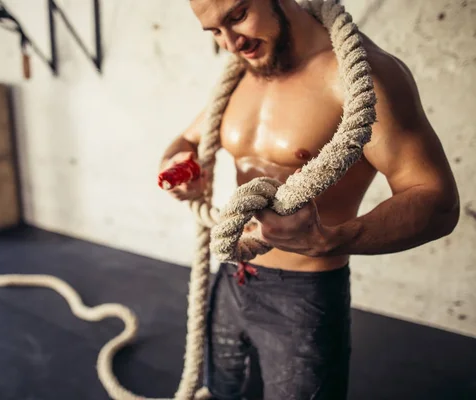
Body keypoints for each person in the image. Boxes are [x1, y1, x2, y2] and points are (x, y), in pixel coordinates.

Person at [159, 0, 460, 399]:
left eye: (237, 16)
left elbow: (437, 201)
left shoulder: (362, 78)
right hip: (232, 275)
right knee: (222, 392)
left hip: (302, 294)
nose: (229, 43)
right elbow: (190, 139)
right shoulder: (244, 69)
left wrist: (330, 240)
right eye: (214, 31)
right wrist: (178, 166)